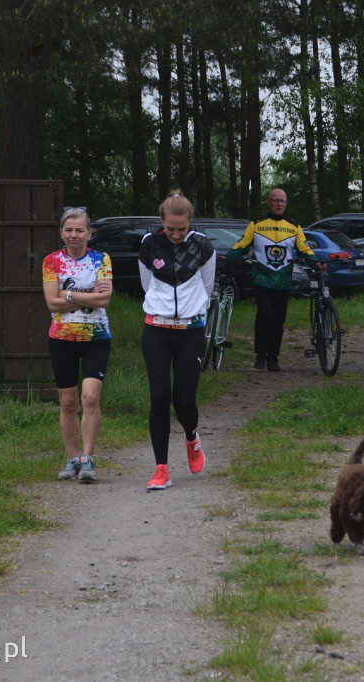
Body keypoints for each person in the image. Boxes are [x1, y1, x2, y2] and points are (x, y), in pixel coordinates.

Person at [138, 193, 215, 490]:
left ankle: (191, 436)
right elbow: (147, 285)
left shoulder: (202, 246)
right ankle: (161, 468)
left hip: (190, 331)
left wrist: (189, 311)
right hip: (156, 330)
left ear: (190, 223)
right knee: (159, 396)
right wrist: (163, 311)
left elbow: (207, 287)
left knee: (183, 399)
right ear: (162, 222)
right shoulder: (149, 244)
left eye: (181, 229)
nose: (176, 235)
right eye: (171, 229)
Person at [41, 206, 113, 483]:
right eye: (69, 230)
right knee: (68, 402)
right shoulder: (52, 261)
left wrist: (67, 295)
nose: (74, 235)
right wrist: (86, 295)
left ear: (89, 233)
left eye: (79, 230)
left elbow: (104, 300)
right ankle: (71, 459)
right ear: (61, 232)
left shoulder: (101, 259)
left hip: (96, 338)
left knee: (90, 398)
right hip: (61, 338)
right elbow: (51, 303)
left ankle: (87, 459)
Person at [225, 188, 317, 372]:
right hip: (262, 279)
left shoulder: (294, 226)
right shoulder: (256, 224)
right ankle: (260, 354)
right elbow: (241, 246)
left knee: (279, 319)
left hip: (283, 280)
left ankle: (273, 358)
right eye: (275, 200)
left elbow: (304, 249)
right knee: (265, 313)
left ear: (286, 203)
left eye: (282, 201)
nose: (279, 204)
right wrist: (228, 257)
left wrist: (315, 262)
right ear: (268, 203)